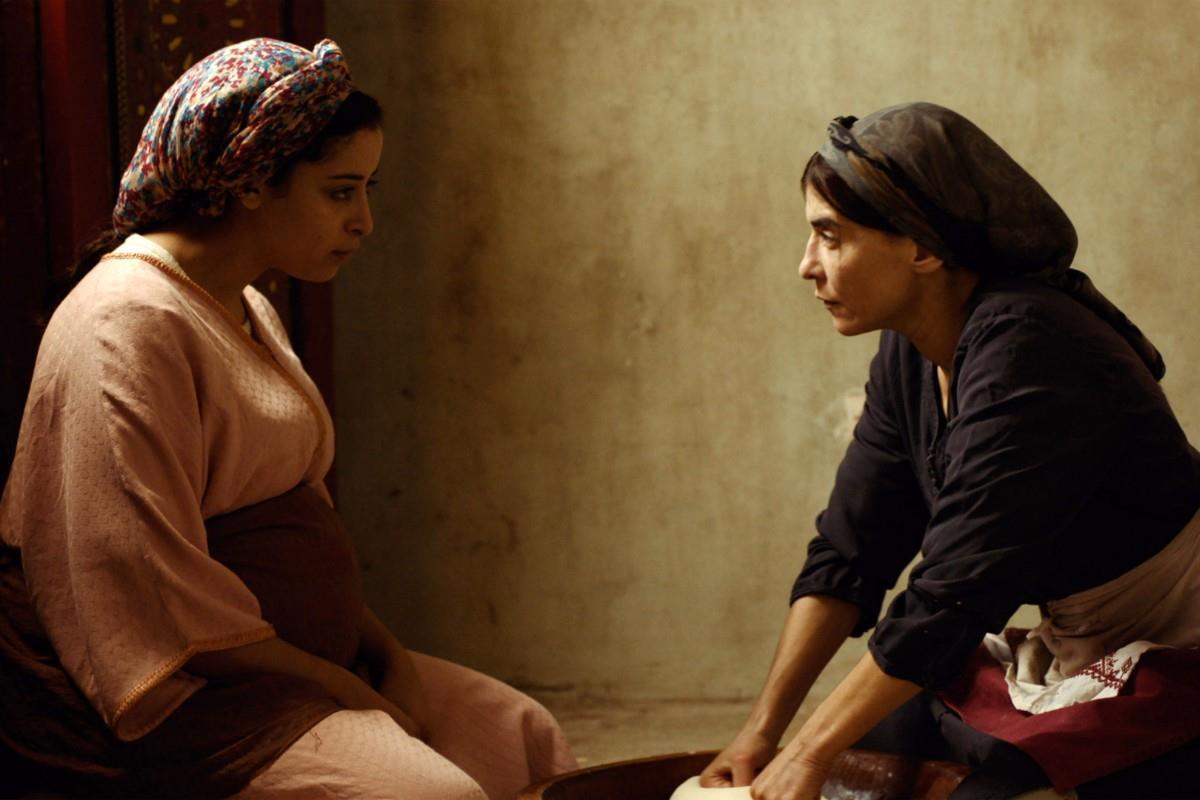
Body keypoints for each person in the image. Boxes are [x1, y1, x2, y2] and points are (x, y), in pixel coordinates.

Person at [0, 38, 576, 799]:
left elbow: (304, 522)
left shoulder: (245, 304)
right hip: (200, 693)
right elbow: (144, 587)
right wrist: (344, 688)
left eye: (367, 190)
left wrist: (384, 653)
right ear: (250, 181)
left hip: (294, 660)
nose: (365, 222)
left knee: (518, 736)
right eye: (340, 192)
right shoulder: (123, 323)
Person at [702, 102, 1200, 799]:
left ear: (922, 247)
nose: (806, 265)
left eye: (830, 236)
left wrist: (808, 755)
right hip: (1081, 644)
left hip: (1180, 651)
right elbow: (850, 551)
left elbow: (952, 597)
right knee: (877, 750)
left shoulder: (1032, 349)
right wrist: (762, 734)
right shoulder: (909, 353)